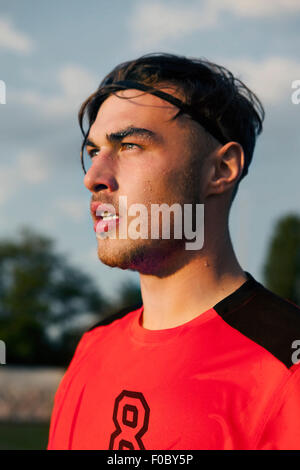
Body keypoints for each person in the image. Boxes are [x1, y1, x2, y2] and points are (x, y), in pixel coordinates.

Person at [47, 53, 300, 450]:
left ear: (221, 170)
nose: (93, 178)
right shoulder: (92, 348)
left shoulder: (287, 364)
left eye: (129, 145)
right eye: (94, 152)